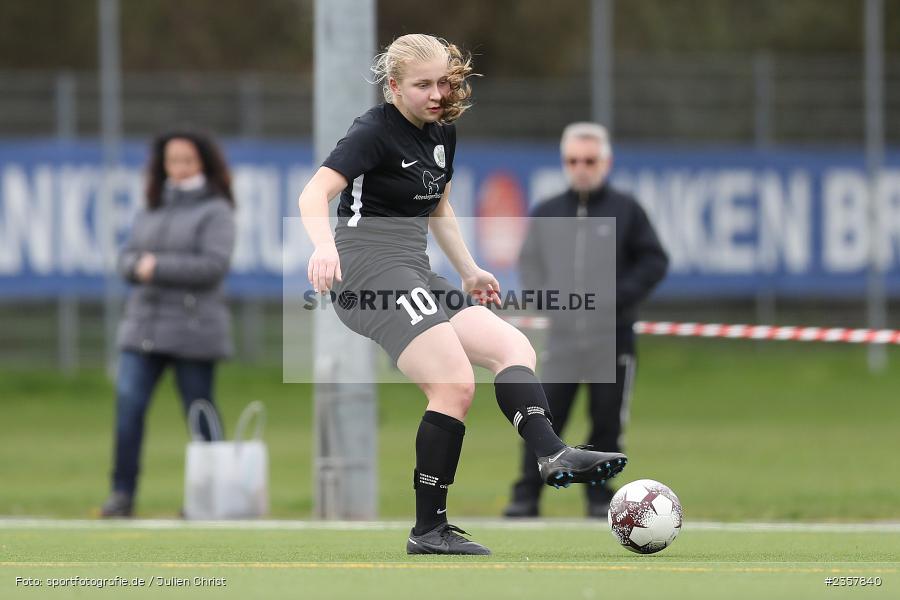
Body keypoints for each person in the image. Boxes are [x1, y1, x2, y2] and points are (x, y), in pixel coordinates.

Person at [298, 35, 627, 555]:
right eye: (422, 84)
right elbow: (314, 192)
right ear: (394, 87)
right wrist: (322, 247)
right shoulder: (373, 131)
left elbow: (440, 208)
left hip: (414, 270)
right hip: (366, 272)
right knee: (453, 385)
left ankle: (552, 455)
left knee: (514, 349)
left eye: (444, 82)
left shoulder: (442, 133)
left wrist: (471, 270)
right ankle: (429, 529)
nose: (436, 93)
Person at [503, 122, 669, 519]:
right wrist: (545, 299)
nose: (581, 168)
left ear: (605, 162)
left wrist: (618, 299)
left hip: (610, 339)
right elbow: (529, 262)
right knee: (542, 418)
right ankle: (527, 494)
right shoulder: (548, 211)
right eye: (573, 160)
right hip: (559, 340)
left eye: (590, 161)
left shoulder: (626, 211)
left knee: (607, 420)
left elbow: (654, 261)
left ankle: (599, 497)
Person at [100, 130, 237, 517]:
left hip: (193, 329)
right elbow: (127, 257)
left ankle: (210, 499)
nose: (178, 168)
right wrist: (135, 266)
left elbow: (213, 266)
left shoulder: (216, 210)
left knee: (200, 412)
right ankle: (121, 494)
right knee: (128, 407)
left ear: (203, 164)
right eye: (172, 160)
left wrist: (155, 267)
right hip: (142, 327)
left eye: (186, 160)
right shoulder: (152, 206)